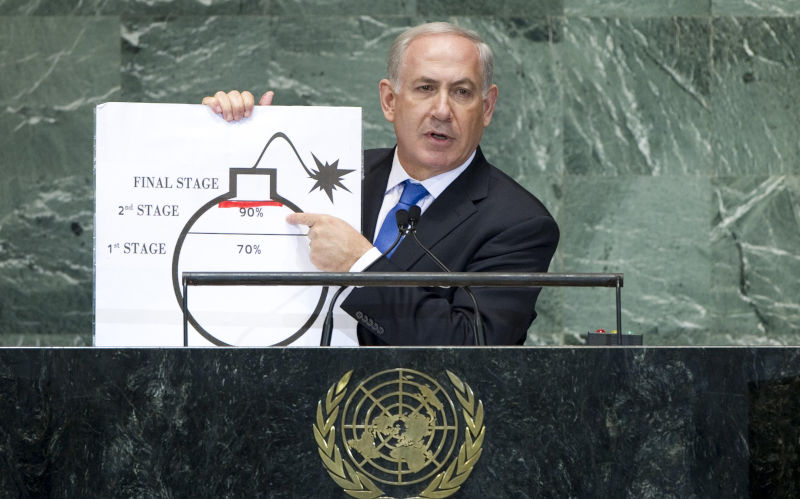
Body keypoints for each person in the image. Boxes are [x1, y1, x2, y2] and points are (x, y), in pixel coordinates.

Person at [202, 22, 559, 345]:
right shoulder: (339, 174)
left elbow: (473, 346)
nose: (442, 110)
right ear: (390, 100)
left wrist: (361, 266)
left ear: (487, 107)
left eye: (462, 92)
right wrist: (234, 137)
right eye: (425, 87)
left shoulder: (519, 223)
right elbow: (230, 238)